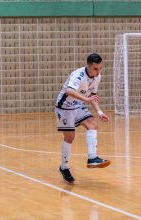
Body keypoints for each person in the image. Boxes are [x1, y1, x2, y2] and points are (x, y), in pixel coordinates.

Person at [55, 53, 110, 184]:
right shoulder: (78, 75)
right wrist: (85, 99)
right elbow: (69, 91)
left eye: (100, 68)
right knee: (70, 137)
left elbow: (92, 96)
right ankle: (64, 167)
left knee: (93, 124)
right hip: (64, 107)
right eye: (96, 69)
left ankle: (92, 158)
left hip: (78, 106)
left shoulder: (97, 77)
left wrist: (99, 111)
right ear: (88, 66)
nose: (98, 71)